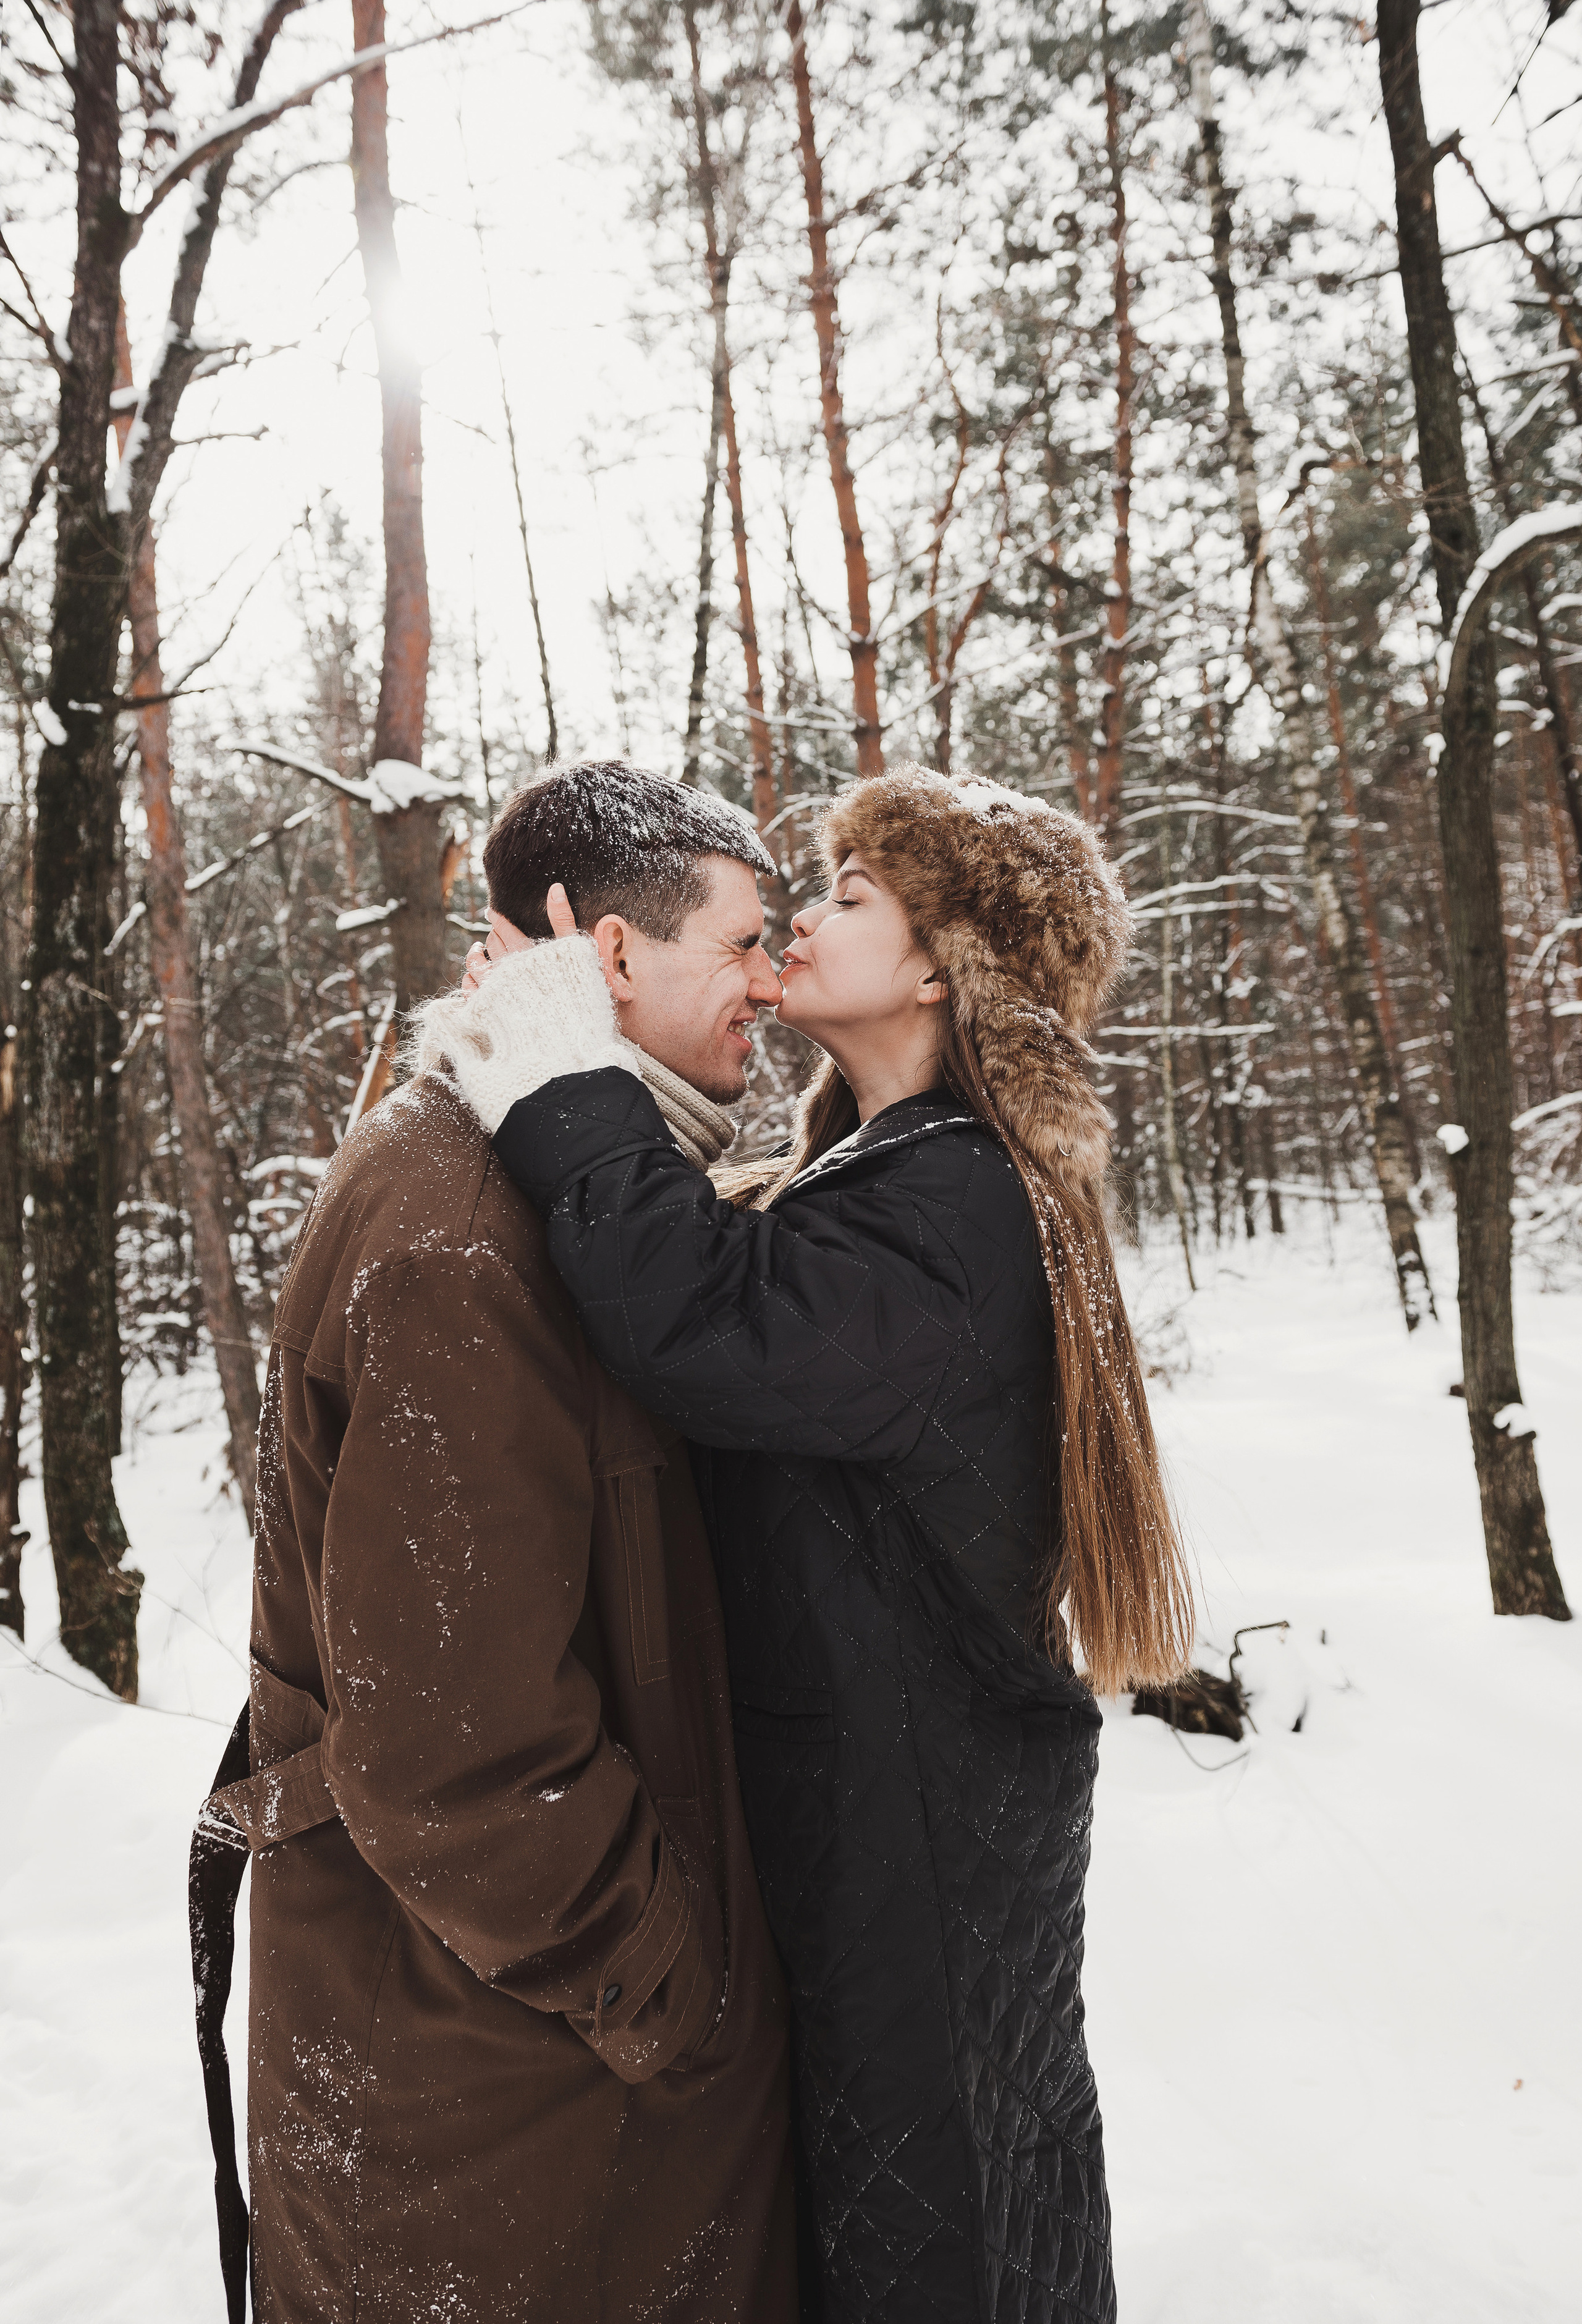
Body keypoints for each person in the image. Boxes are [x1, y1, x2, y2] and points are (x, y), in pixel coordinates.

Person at [441, 764, 1196, 2324]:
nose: (801, 915)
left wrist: (566, 1072)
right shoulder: (888, 1173)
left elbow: (710, 1323)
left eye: (850, 897)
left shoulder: (957, 1199)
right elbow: (727, 1267)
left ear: (939, 965)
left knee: (942, 2230)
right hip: (893, 1801)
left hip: (916, 1833)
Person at [192, 764, 798, 2324]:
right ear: (607, 956)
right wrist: (673, 1992)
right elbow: (458, 1746)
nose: (770, 988)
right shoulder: (465, 1224)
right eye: (740, 943)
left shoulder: (537, 1176)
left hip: (507, 2047)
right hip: (500, 2087)